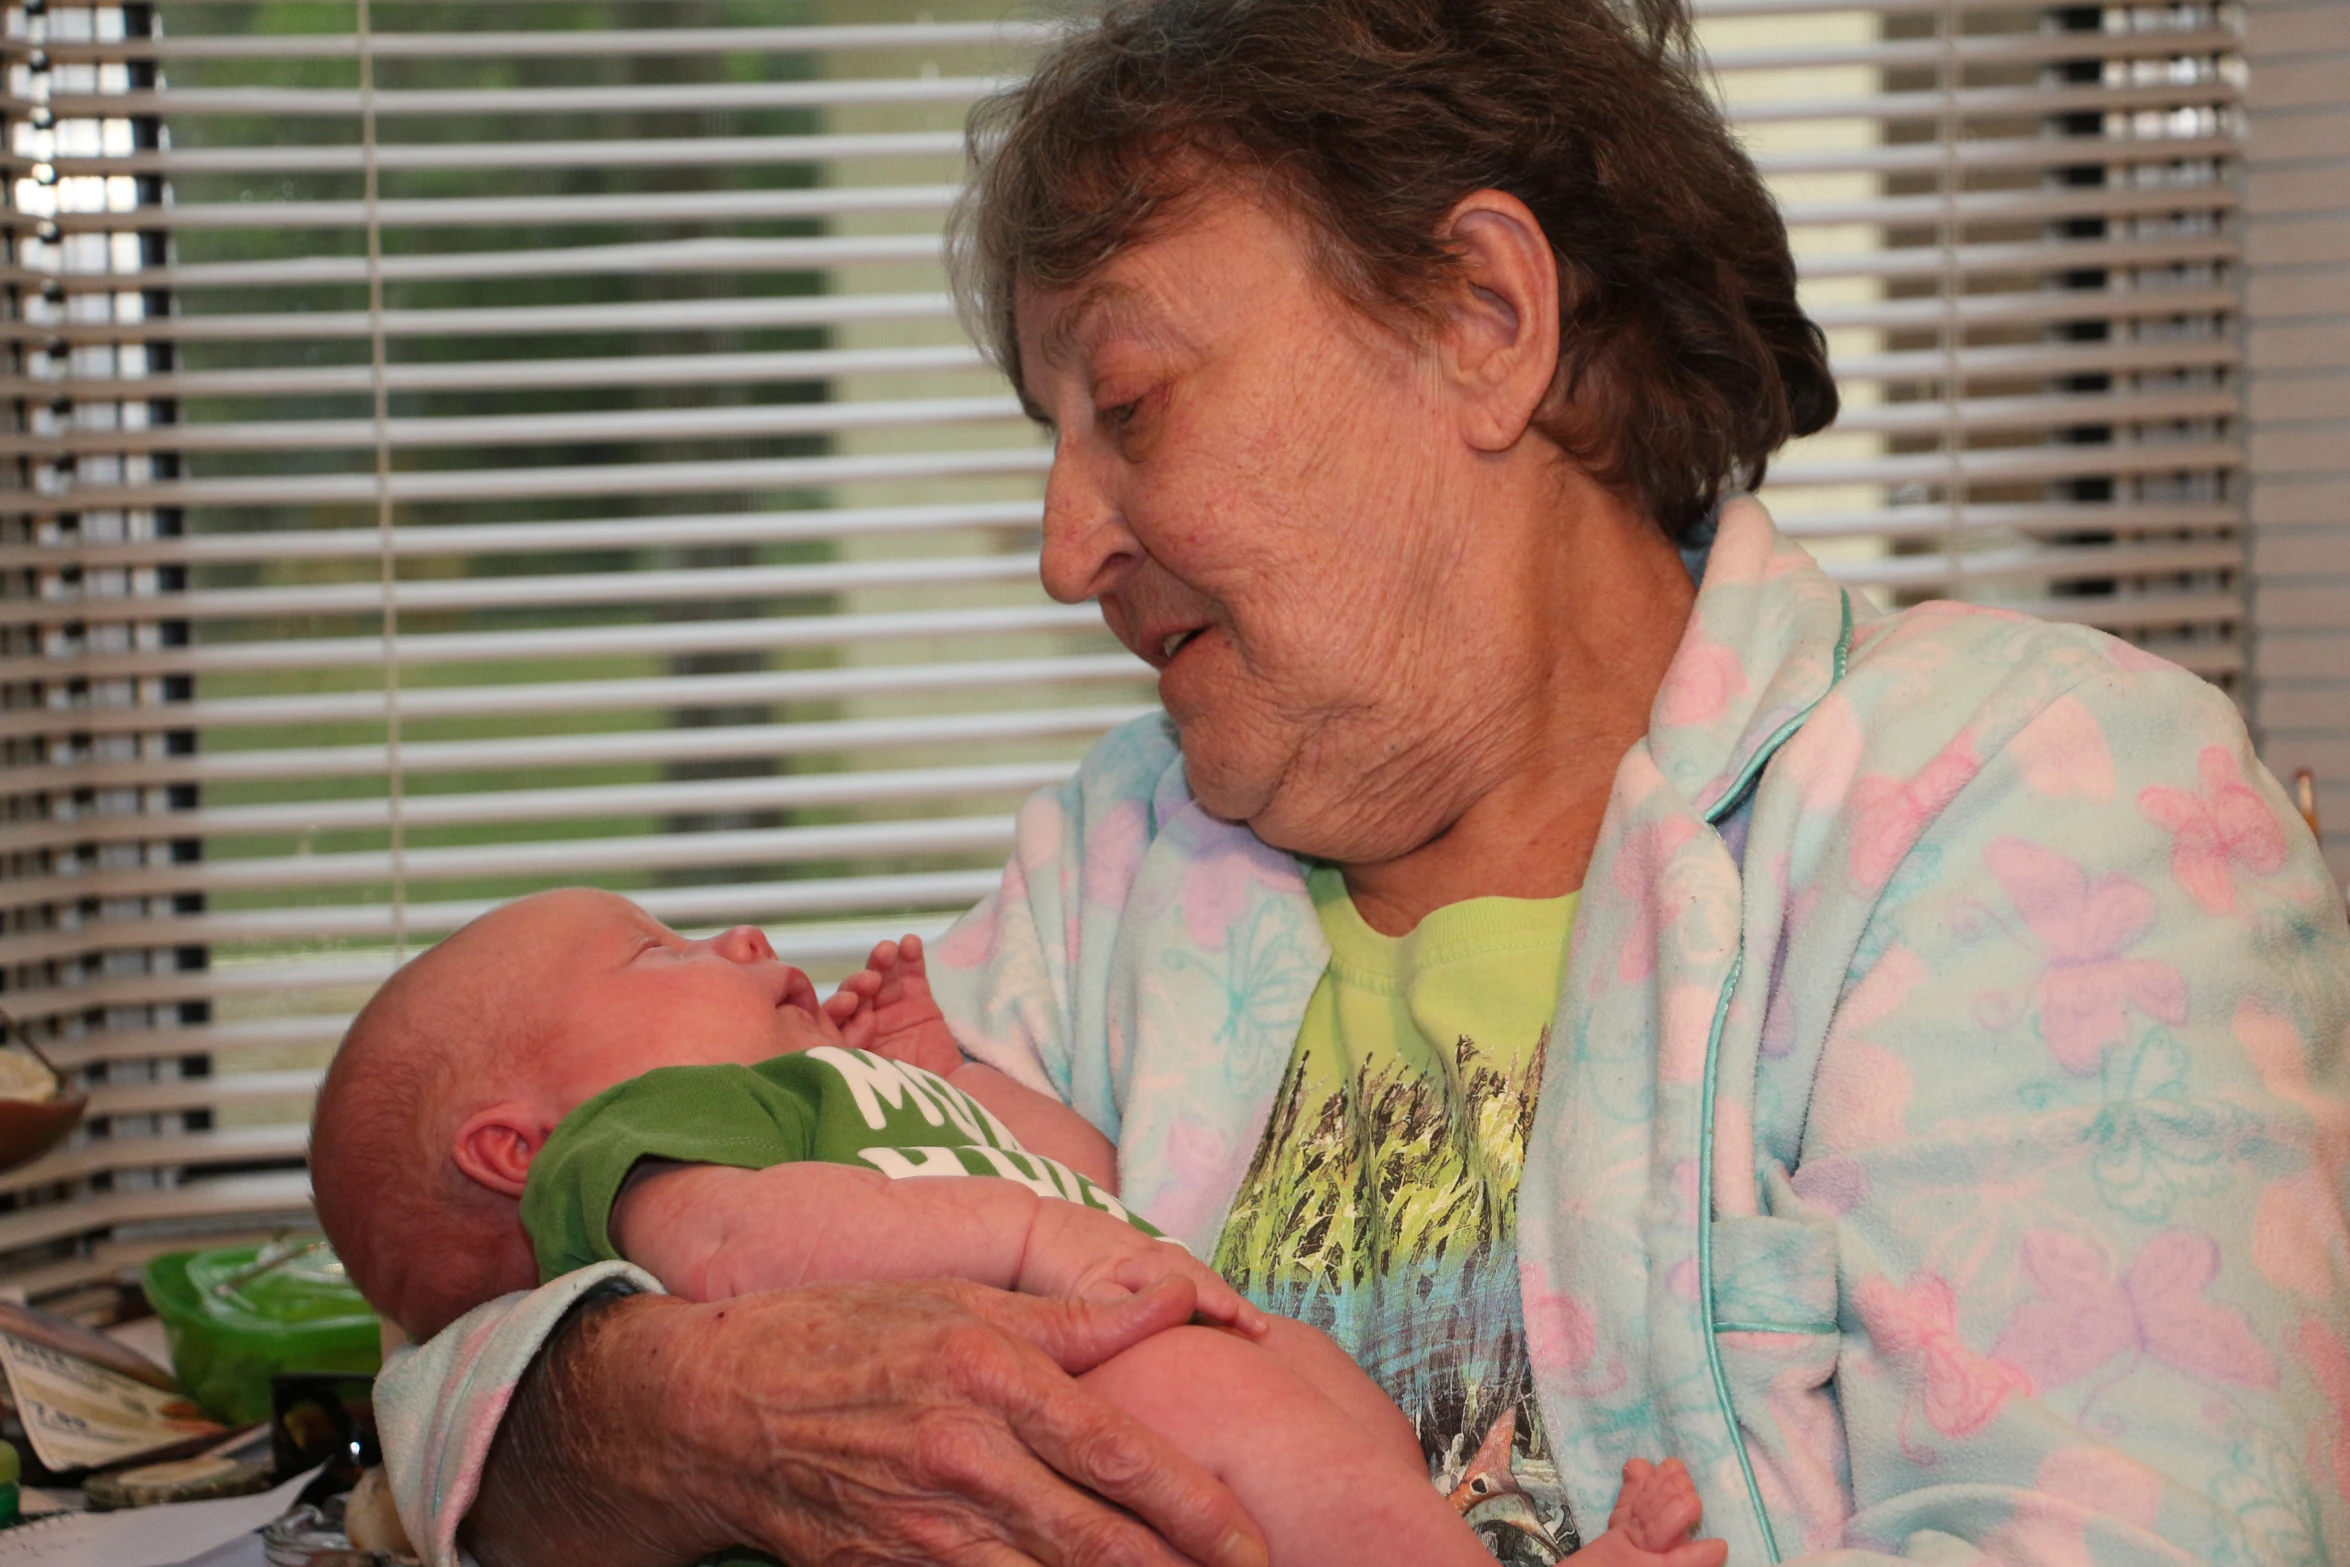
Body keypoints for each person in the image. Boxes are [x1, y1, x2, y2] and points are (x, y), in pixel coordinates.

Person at [359, 0, 2350, 1563]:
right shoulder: (1113, 876)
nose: (1063, 547)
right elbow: (456, 1345)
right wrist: (680, 1404)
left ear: (1481, 321)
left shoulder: (2008, 802)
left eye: (1126, 404)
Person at [310, 888, 1727, 1567]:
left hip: (1144, 1331)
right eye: (657, 952)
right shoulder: (639, 1145)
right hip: (1074, 1371)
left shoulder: (827, 1094)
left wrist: (958, 1077)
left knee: (1326, 1434)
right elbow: (749, 1258)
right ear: (519, 1144)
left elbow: (1090, 1173)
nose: (736, 940)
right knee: (1274, 1445)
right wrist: (1036, 1252)